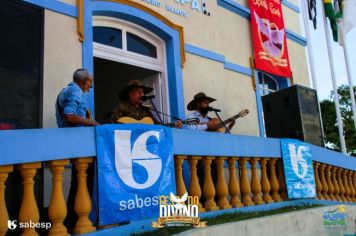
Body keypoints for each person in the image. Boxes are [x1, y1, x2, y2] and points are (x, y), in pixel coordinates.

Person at [55, 68, 98, 231]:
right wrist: (92, 123)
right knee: (83, 182)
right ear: (84, 81)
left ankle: (71, 222)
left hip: (74, 144)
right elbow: (70, 115)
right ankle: (76, 221)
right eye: (90, 84)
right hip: (79, 145)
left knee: (78, 183)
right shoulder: (75, 90)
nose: (89, 88)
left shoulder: (67, 90)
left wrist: (86, 119)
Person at [109, 80, 182, 127]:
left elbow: (157, 125)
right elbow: (112, 124)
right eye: (138, 91)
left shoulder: (146, 110)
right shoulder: (121, 107)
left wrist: (173, 124)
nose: (142, 94)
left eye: (142, 92)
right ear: (130, 94)